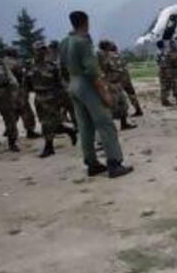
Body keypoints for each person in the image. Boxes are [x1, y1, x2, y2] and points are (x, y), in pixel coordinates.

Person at [59, 10, 133, 178]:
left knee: (84, 127)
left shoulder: (64, 42)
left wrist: (70, 84)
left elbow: (62, 67)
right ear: (85, 22)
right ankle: (114, 163)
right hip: (88, 86)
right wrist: (105, 93)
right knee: (105, 124)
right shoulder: (83, 42)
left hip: (74, 84)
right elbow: (93, 71)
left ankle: (91, 163)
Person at [25, 41, 78, 157]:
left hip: (52, 97)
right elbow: (26, 84)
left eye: (43, 49)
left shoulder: (52, 66)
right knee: (54, 124)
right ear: (34, 51)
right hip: (39, 98)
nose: (41, 52)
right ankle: (70, 131)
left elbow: (59, 84)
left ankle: (49, 147)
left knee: (47, 124)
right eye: (39, 49)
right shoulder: (30, 66)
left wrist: (63, 100)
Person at [98, 40, 136, 130]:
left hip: (114, 83)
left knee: (122, 104)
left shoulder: (105, 56)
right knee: (112, 106)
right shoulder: (104, 57)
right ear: (107, 46)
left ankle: (123, 124)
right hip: (110, 84)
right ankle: (111, 126)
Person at [3, 47, 40, 139]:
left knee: (13, 111)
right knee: (26, 111)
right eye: (15, 52)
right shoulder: (14, 62)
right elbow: (21, 74)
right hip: (18, 89)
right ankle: (30, 130)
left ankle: (9, 129)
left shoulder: (2, 62)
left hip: (7, 91)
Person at [110, 42, 144, 117]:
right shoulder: (120, 56)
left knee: (118, 97)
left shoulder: (110, 57)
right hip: (126, 78)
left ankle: (119, 114)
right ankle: (138, 109)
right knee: (131, 94)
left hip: (118, 79)